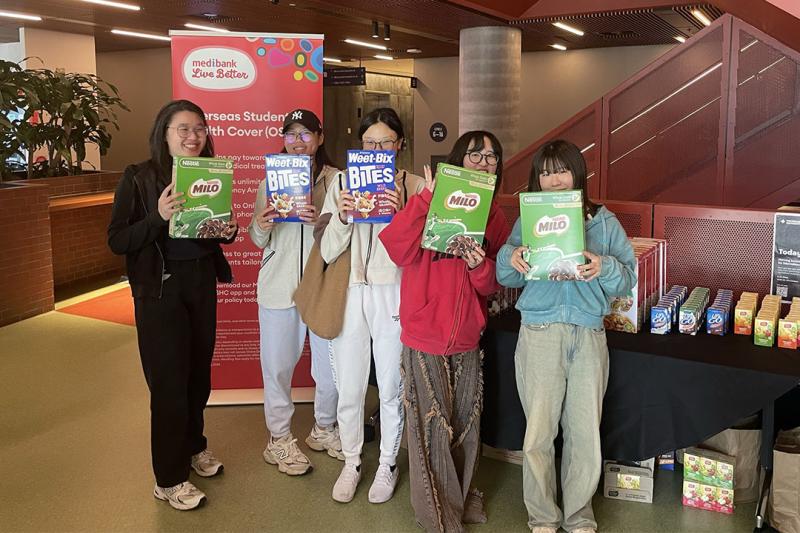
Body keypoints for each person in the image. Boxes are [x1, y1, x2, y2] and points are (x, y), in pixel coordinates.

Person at [495, 139, 636, 533]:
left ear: (577, 173)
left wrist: (605, 266)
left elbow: (627, 281)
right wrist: (512, 258)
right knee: (538, 434)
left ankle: (579, 517)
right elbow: (505, 275)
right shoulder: (529, 219)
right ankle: (542, 517)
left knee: (584, 434)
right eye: (545, 173)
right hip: (539, 331)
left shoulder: (603, 222)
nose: (554, 180)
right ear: (536, 180)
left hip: (588, 334)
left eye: (560, 170)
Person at [108, 99, 238, 510]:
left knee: (198, 377)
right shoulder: (139, 177)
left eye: (199, 128)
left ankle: (194, 446)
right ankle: (168, 478)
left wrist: (227, 230)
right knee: (168, 385)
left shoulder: (209, 173)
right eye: (183, 128)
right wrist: (158, 217)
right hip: (160, 291)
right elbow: (117, 240)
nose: (192, 136)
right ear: (164, 134)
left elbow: (209, 232)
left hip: (200, 284)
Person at [380, 131, 511, 532]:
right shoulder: (428, 200)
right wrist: (425, 199)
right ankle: (440, 518)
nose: (484, 162)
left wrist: (478, 265)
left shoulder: (495, 216)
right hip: (425, 332)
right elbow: (397, 249)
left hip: (467, 335)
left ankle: (460, 497)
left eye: (492, 156)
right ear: (457, 160)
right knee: (431, 427)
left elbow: (493, 284)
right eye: (475, 154)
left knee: (466, 425)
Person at [315, 107, 424, 504]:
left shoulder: (414, 186)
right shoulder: (342, 182)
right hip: (350, 289)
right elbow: (327, 250)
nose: (377, 151)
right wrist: (343, 216)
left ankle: (388, 463)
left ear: (400, 145)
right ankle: (352, 460)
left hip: (393, 289)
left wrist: (403, 213)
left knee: (392, 385)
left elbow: (422, 252)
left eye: (385, 143)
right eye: (369, 143)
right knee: (350, 383)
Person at [249, 109, 343, 476]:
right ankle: (279, 438)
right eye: (291, 134)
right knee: (277, 368)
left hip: (322, 286)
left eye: (306, 134)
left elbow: (347, 234)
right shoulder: (269, 181)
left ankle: (324, 428)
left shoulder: (337, 181)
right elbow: (258, 239)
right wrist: (262, 224)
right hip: (278, 286)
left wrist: (321, 220)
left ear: (320, 138)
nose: (298, 141)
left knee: (330, 370)